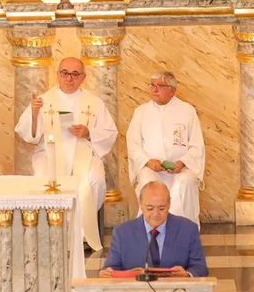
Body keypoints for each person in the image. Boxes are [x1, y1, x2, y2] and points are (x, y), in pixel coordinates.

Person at [15, 57, 118, 252]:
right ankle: (50, 231)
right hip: (49, 152)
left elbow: (110, 133)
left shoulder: (94, 103)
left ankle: (80, 232)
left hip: (84, 152)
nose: (69, 78)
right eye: (64, 73)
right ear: (58, 75)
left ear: (83, 78)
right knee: (43, 178)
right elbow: (30, 135)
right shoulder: (43, 100)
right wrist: (35, 114)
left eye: (74, 74)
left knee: (93, 179)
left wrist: (88, 133)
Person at [126, 70, 206, 226]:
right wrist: (148, 161)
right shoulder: (141, 112)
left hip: (181, 169)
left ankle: (183, 232)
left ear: (173, 90)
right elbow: (133, 143)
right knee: (147, 181)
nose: (154, 89)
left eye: (160, 86)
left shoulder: (187, 111)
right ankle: (149, 232)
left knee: (187, 181)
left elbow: (197, 145)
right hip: (151, 168)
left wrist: (182, 162)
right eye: (152, 85)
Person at [101, 181, 207, 277]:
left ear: (169, 204)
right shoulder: (122, 233)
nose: (156, 214)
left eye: (161, 208)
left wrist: (187, 275)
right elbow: (112, 268)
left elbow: (200, 268)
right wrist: (107, 273)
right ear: (141, 204)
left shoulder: (188, 230)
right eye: (150, 208)